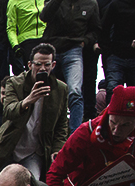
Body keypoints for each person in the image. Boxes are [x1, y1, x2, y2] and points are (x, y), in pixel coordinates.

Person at [0, 44, 69, 183]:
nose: (42, 68)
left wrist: (57, 149)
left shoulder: (61, 89)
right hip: (9, 147)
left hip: (35, 152)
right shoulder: (15, 83)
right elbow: (8, 111)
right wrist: (29, 100)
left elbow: (61, 125)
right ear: (30, 64)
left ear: (53, 65)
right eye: (38, 64)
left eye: (47, 64)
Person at [41, 0, 101, 132]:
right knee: (48, 92)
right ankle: (47, 132)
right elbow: (44, 16)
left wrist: (85, 41)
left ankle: (75, 133)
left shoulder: (91, 4)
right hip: (52, 48)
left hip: (74, 49)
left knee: (75, 91)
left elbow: (95, 30)